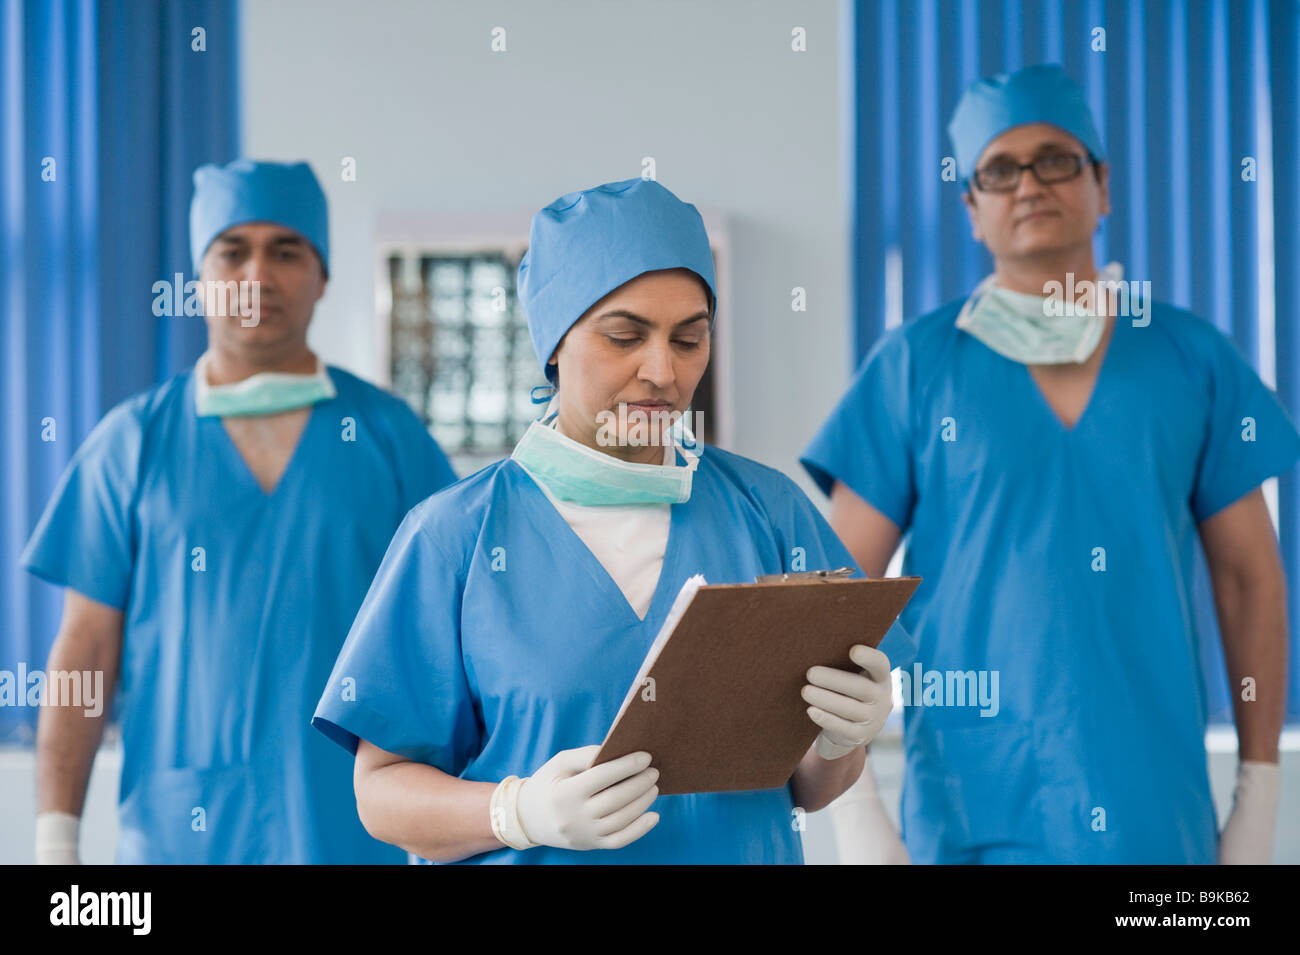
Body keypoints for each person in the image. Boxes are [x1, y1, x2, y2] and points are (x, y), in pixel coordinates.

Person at [311, 177, 917, 864]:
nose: (662, 371)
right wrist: (517, 810)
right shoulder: (454, 535)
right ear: (554, 343)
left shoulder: (769, 510)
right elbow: (381, 793)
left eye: (689, 339)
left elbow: (807, 788)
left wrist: (842, 739)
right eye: (625, 335)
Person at [802, 63, 1300, 864]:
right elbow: (835, 597)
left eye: (1056, 158)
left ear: (1102, 184)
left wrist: (1259, 788)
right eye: (999, 169)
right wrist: (855, 806)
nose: (1029, 182)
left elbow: (1249, 579)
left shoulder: (1191, 357)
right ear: (972, 208)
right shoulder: (914, 367)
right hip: (970, 806)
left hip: (1153, 814)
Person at [23, 159, 458, 864]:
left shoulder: (387, 436)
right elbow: (84, 650)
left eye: (286, 251)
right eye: (233, 251)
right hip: (178, 834)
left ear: (322, 278)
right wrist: (55, 838)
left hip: (350, 833)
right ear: (200, 278)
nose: (258, 274)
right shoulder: (132, 443)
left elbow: (448, 636)